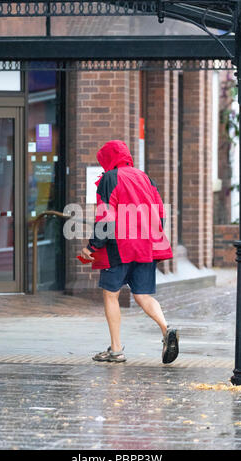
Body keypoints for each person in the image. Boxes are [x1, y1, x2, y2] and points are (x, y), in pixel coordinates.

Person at [81, 140, 179, 364]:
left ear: (108, 159)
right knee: (143, 295)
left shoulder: (109, 178)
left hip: (119, 247)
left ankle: (116, 350)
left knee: (111, 294)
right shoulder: (146, 178)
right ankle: (166, 329)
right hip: (146, 246)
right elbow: (160, 214)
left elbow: (106, 215)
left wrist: (92, 246)